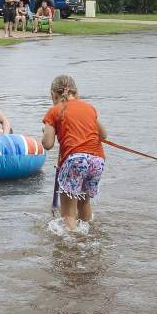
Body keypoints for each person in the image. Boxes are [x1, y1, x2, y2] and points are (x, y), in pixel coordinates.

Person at [42, 74, 107, 231]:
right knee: (84, 201)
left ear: (53, 94)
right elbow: (103, 136)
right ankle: (90, 233)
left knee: (68, 212)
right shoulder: (89, 108)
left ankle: (72, 245)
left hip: (75, 161)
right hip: (97, 160)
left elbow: (48, 144)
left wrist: (46, 130)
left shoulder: (54, 111)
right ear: (76, 93)